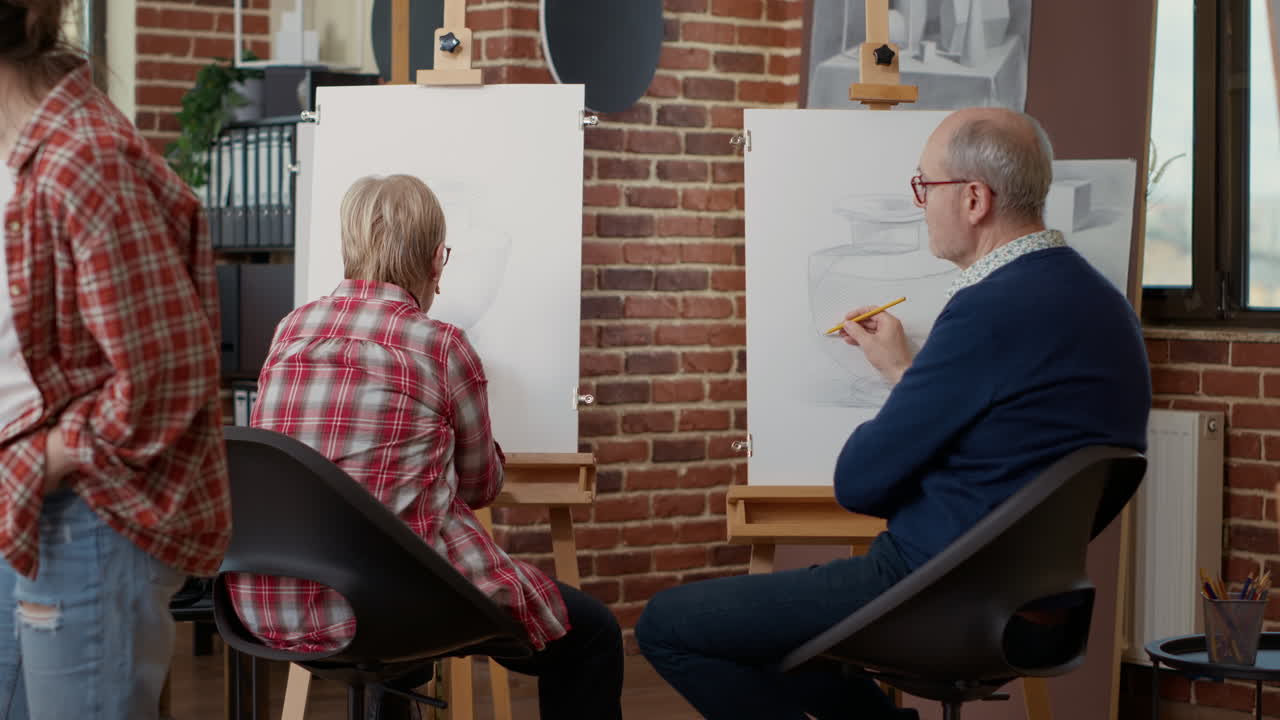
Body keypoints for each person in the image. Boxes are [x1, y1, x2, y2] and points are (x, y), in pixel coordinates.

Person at [636, 107, 1152, 719]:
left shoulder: (988, 310)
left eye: (923, 186)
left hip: (931, 590)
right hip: (1033, 603)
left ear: (974, 199)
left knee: (666, 626)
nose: (918, 203)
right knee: (772, 639)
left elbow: (861, 483)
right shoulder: (1103, 306)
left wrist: (894, 410)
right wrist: (901, 373)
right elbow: (1007, 439)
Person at [225, 174, 624, 719]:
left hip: (266, 602)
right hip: (384, 606)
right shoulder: (442, 346)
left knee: (400, 560)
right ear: (439, 259)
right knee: (593, 637)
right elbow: (482, 486)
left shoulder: (291, 330)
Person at [0, 1, 232, 718]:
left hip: (84, 511)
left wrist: (54, 454)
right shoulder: (21, 153)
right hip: (26, 503)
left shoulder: (83, 157)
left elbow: (168, 369)